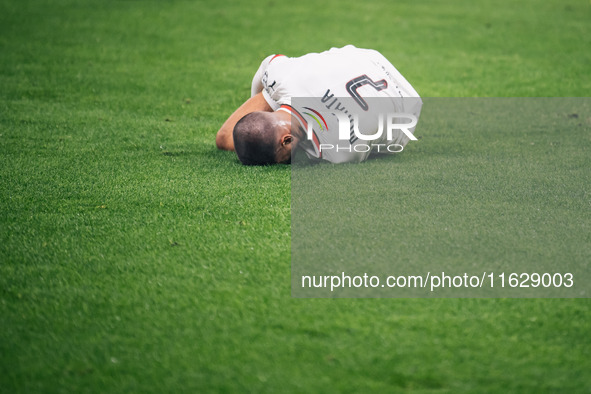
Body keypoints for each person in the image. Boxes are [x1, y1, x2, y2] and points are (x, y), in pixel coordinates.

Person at [216, 45, 422, 165]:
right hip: (368, 58)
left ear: (286, 140)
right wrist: (265, 107)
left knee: (230, 137)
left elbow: (226, 137)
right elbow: (267, 65)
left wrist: (263, 116)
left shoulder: (340, 152)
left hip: (407, 105)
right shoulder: (281, 75)